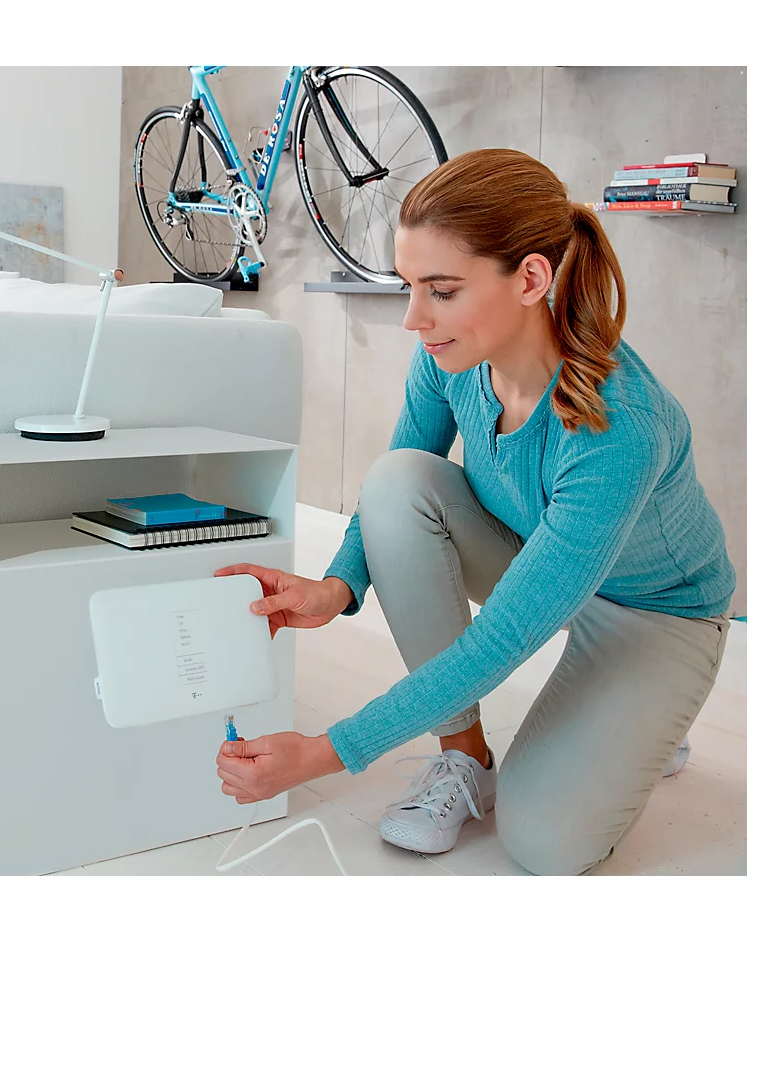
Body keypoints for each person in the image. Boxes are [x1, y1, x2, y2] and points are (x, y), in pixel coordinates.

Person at [214, 148, 735, 876]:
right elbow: (390, 492)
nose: (413, 318)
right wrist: (335, 589)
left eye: (441, 290)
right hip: (538, 558)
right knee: (398, 481)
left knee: (545, 844)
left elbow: (503, 639)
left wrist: (326, 753)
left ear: (530, 278)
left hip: (654, 612)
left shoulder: (620, 425)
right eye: (408, 286)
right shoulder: (449, 355)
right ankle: (466, 761)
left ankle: (643, 718)